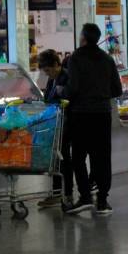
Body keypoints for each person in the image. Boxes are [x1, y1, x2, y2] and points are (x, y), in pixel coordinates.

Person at [63, 23, 123, 215]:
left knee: (78, 157)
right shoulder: (107, 59)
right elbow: (117, 89)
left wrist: (62, 94)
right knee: (102, 157)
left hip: (81, 114)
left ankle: (85, 196)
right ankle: (103, 200)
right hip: (103, 115)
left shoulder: (75, 58)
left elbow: (73, 87)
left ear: (84, 38)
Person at [36, 49, 73, 209]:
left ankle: (68, 193)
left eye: (49, 70)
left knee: (65, 158)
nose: (48, 74)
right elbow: (48, 100)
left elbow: (69, 98)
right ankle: (57, 193)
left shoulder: (67, 77)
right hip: (55, 124)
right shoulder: (52, 80)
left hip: (67, 123)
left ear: (57, 64)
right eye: (45, 71)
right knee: (56, 159)